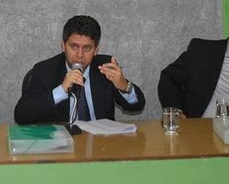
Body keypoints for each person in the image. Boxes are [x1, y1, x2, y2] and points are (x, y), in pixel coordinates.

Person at [14, 15, 145, 124]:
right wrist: (61, 90)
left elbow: (137, 106)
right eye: (74, 47)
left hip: (101, 143)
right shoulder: (45, 71)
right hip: (63, 143)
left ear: (96, 50)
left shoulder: (105, 68)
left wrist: (124, 86)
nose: (80, 55)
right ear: (63, 46)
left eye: (87, 48)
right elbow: (21, 115)